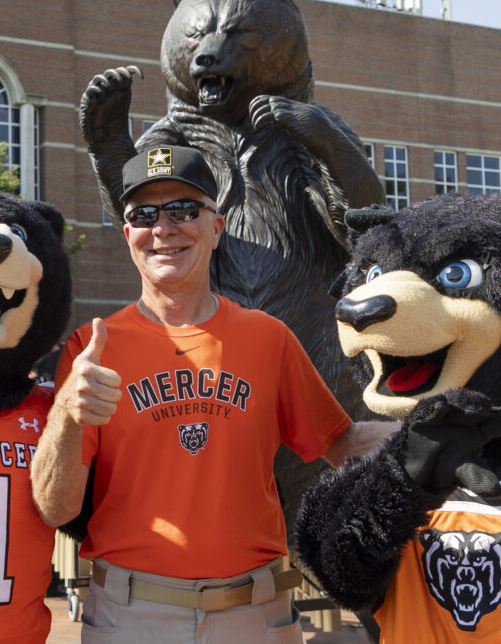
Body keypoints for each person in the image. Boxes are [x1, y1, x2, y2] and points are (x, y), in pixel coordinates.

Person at [31, 145, 397, 643]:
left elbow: (342, 443)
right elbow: (56, 508)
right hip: (133, 615)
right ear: (128, 235)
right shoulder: (91, 349)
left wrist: (423, 435)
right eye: (144, 214)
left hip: (255, 613)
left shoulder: (267, 337)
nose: (164, 228)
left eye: (184, 210)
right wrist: (66, 419)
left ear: (217, 227)